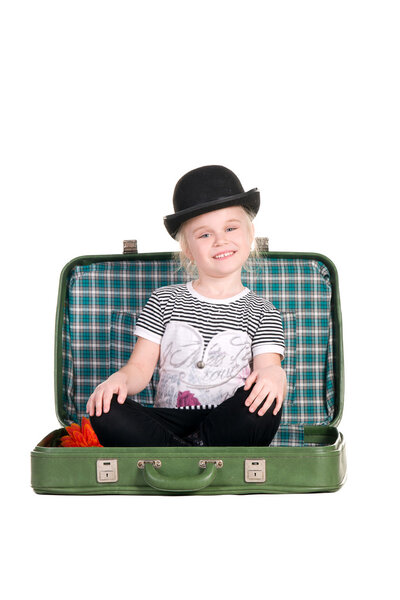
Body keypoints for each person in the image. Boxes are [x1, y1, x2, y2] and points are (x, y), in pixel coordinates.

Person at [87, 165, 287, 447]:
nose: (220, 240)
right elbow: (139, 370)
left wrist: (275, 375)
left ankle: (176, 455)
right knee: (106, 411)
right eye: (204, 235)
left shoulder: (263, 311)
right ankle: (187, 452)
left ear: (250, 234)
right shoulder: (164, 300)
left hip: (227, 422)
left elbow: (267, 369)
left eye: (231, 228)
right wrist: (118, 379)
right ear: (188, 250)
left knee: (263, 408)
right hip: (170, 421)